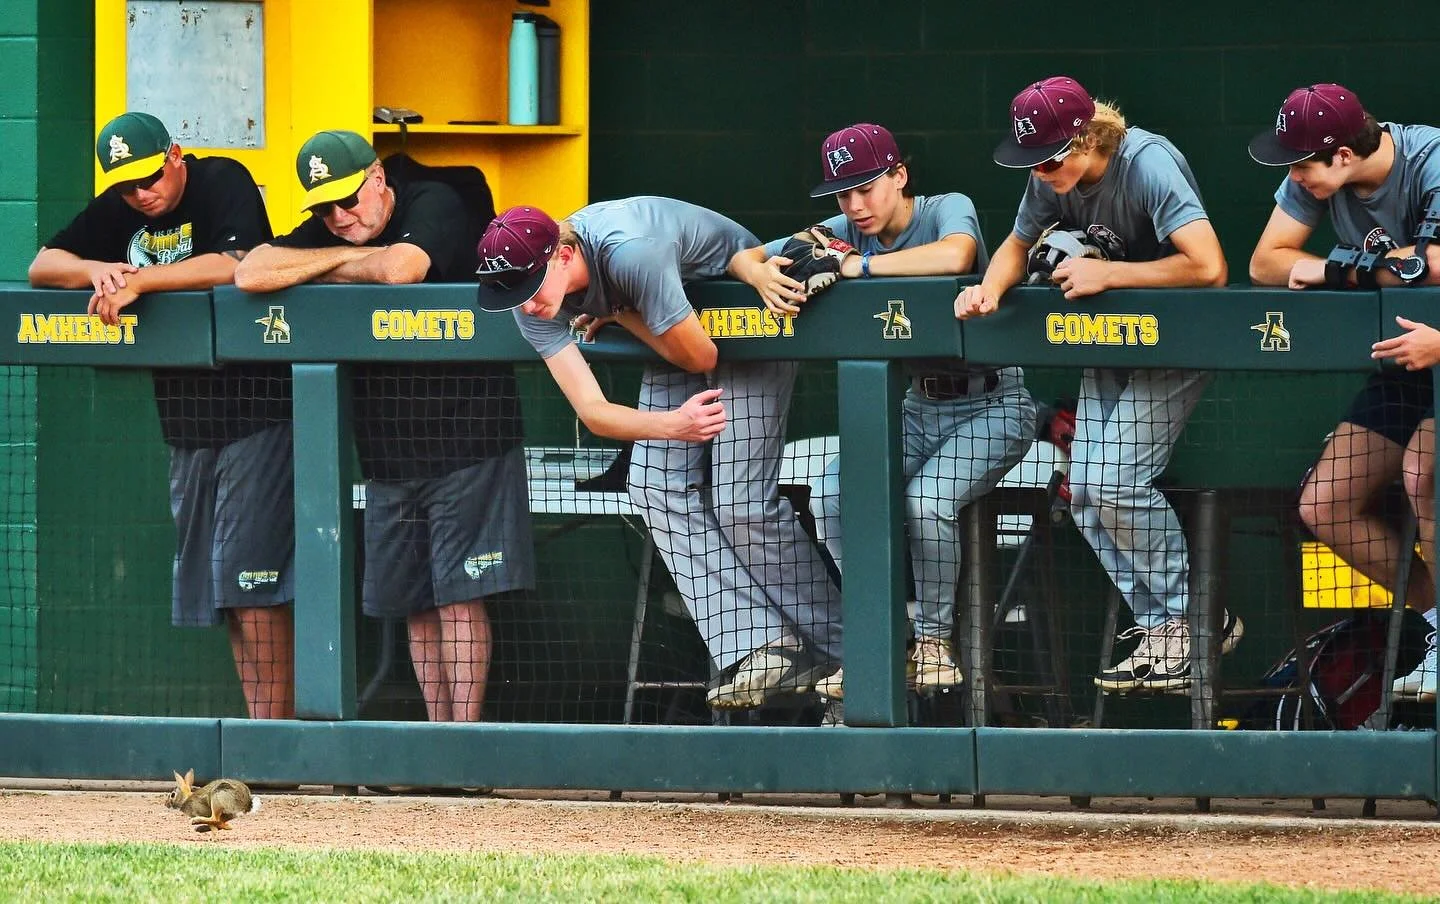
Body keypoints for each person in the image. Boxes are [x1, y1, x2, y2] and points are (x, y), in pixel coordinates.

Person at [475, 198, 841, 709]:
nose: (525, 303)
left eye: (528, 286)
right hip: (667, 321)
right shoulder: (531, 305)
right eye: (509, 291)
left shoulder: (630, 254)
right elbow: (593, 411)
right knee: (651, 482)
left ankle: (849, 652)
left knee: (740, 504)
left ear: (561, 255)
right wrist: (672, 425)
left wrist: (620, 313)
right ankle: (765, 643)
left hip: (742, 316)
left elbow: (702, 354)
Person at [234, 130, 533, 723]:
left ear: (378, 179)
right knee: (414, 604)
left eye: (350, 201)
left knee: (458, 599)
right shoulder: (335, 229)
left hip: (467, 435)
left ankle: (463, 747)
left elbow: (402, 269)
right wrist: (345, 259)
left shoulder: (434, 199)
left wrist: (316, 269)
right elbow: (251, 272)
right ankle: (434, 741)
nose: (339, 218)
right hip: (387, 448)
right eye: (324, 209)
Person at [729, 123, 1037, 699]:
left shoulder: (947, 208)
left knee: (927, 502)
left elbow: (957, 254)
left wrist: (857, 269)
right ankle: (880, 639)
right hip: (920, 403)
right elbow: (746, 255)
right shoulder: (842, 228)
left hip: (993, 402)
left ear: (899, 175)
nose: (855, 204)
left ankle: (933, 642)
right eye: (844, 193)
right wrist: (760, 275)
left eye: (867, 187)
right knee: (831, 492)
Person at [956, 77, 1234, 692]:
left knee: (1113, 479)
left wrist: (1108, 272)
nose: (1041, 171)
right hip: (1113, 343)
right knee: (1082, 492)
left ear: (1086, 136)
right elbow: (1015, 244)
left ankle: (1196, 618)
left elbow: (1209, 266)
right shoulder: (1048, 176)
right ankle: (1166, 626)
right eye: (1033, 160)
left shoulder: (1147, 164)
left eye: (1051, 158)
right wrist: (990, 289)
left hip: (1177, 342)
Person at [28, 111, 295, 719]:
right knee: (226, 593)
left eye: (150, 178)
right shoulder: (118, 207)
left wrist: (142, 281)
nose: (141, 194)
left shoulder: (221, 178)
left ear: (175, 156)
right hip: (184, 421)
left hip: (257, 409)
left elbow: (241, 263)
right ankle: (260, 734)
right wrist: (94, 269)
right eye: (127, 185)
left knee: (255, 587)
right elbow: (42, 265)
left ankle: (278, 742)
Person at [1249, 83, 1440, 702]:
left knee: (1422, 472)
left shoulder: (1430, 158)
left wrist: (1338, 267)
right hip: (1403, 365)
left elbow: (1434, 266)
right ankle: (1437, 620)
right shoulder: (1312, 178)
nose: (1296, 178)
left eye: (1303, 164)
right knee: (1324, 503)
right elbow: (1266, 262)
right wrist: (1365, 268)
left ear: (1344, 155)